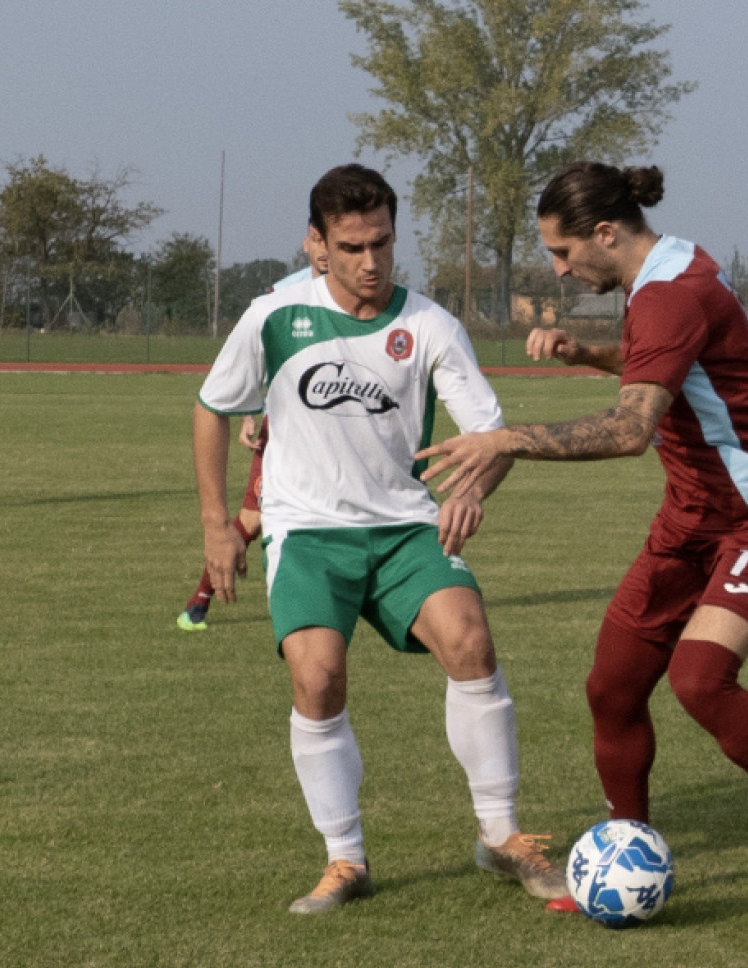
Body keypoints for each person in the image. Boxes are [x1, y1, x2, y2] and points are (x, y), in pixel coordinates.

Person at [416, 162, 748, 934]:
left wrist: (503, 437)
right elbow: (672, 365)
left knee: (699, 679)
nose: (558, 269)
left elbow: (627, 429)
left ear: (606, 234)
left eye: (561, 252)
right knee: (612, 687)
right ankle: (627, 843)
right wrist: (590, 355)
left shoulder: (670, 293)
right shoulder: (668, 274)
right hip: (688, 522)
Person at [192, 163, 566, 913]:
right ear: (316, 245)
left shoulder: (428, 325)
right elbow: (211, 409)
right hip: (307, 535)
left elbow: (492, 438)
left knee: (470, 641)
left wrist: (472, 491)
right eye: (353, 246)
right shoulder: (274, 315)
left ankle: (501, 837)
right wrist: (215, 526)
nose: (371, 262)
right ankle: (345, 860)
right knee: (319, 680)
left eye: (383, 244)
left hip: (404, 529)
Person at [179, 241, 330, 631]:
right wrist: (252, 413)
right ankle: (200, 599)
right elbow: (258, 362)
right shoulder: (281, 296)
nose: (328, 251)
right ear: (309, 242)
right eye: (320, 240)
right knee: (252, 515)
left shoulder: (366, 297)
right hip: (284, 432)